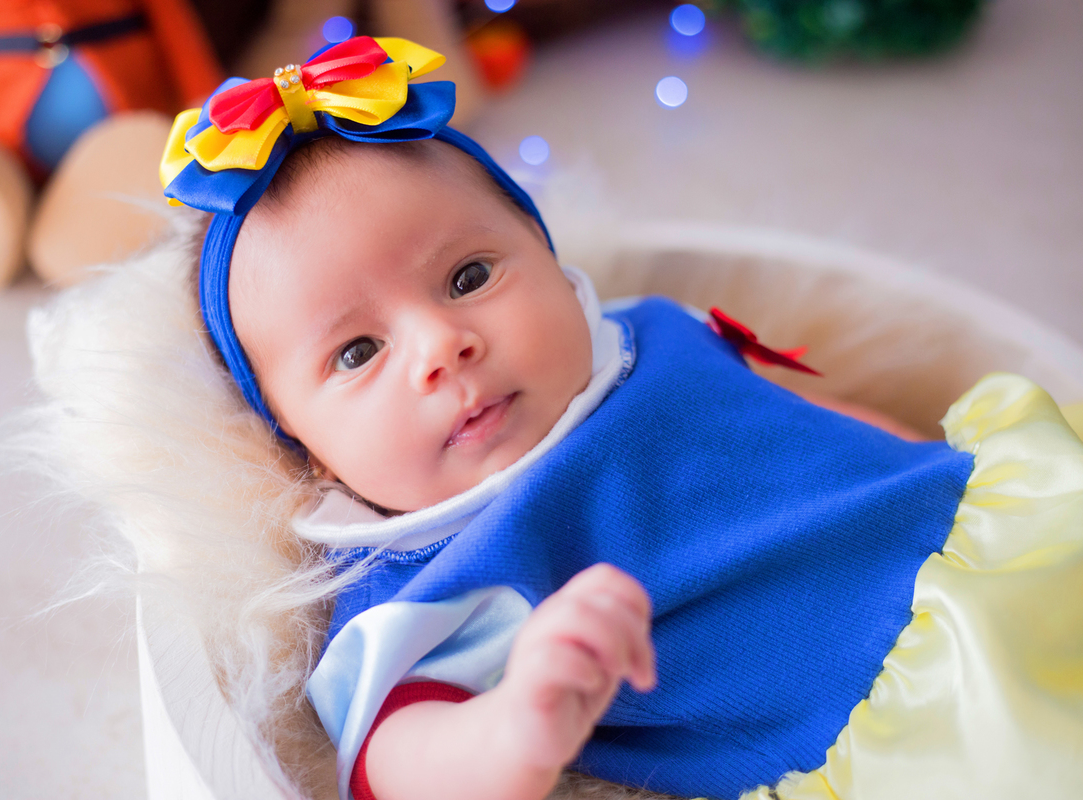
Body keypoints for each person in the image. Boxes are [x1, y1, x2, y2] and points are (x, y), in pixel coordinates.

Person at [161, 36, 1083, 800]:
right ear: (304, 449)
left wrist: (923, 457)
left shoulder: (644, 333)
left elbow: (792, 412)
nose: (442, 345)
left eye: (470, 277)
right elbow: (393, 758)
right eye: (357, 353)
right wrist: (518, 724)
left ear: (549, 256)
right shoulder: (427, 566)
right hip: (916, 716)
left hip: (1000, 531)